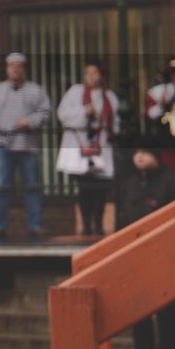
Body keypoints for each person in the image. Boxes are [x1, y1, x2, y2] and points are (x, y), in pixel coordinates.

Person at [116, 137, 175, 349]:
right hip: (134, 255)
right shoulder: (129, 184)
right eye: (136, 151)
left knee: (165, 312)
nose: (139, 156)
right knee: (138, 312)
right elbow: (122, 218)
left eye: (145, 152)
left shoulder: (173, 183)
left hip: (163, 255)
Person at [0, 52, 52, 238]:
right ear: (7, 68)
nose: (16, 68)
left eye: (19, 65)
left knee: (32, 186)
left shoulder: (36, 90)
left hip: (28, 147)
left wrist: (29, 122)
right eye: (12, 65)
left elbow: (46, 113)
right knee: (2, 187)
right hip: (4, 149)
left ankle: (35, 225)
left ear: (24, 68)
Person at [56, 60, 119, 237]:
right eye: (88, 73)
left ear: (101, 75)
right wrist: (84, 112)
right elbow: (63, 115)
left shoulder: (109, 96)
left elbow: (115, 123)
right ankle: (85, 225)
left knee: (99, 189)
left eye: (94, 73)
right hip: (79, 148)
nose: (91, 77)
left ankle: (98, 225)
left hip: (101, 147)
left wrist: (100, 118)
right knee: (84, 188)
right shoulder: (75, 92)